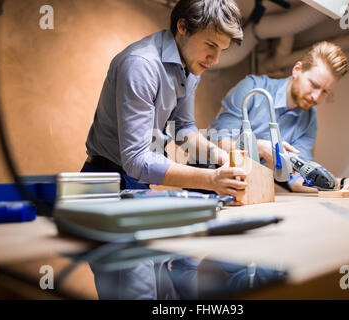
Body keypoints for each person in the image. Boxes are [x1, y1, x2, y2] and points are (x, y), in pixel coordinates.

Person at [82, 0, 247, 199]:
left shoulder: (191, 67)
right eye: (210, 45)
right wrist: (210, 179)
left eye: (221, 49)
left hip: (138, 177)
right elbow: (136, 159)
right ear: (182, 27)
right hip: (105, 178)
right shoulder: (141, 66)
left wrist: (217, 155)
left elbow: (182, 127)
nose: (215, 59)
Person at [210, 41, 349, 192]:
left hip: (244, 186)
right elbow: (218, 142)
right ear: (297, 70)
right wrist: (259, 147)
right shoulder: (252, 88)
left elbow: (297, 177)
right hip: (208, 176)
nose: (316, 97)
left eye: (325, 91)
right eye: (314, 85)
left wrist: (340, 183)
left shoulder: (309, 120)